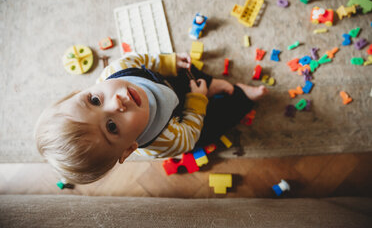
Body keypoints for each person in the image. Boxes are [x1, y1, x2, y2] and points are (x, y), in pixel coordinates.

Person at [35, 52, 267, 184]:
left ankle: (210, 84)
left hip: (166, 83)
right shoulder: (162, 142)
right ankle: (242, 98)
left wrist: (168, 61)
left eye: (94, 101)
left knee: (189, 74)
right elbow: (189, 134)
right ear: (128, 149)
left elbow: (141, 60)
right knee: (216, 121)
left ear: (81, 91)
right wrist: (197, 102)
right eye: (112, 126)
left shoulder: (114, 72)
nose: (117, 102)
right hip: (182, 117)